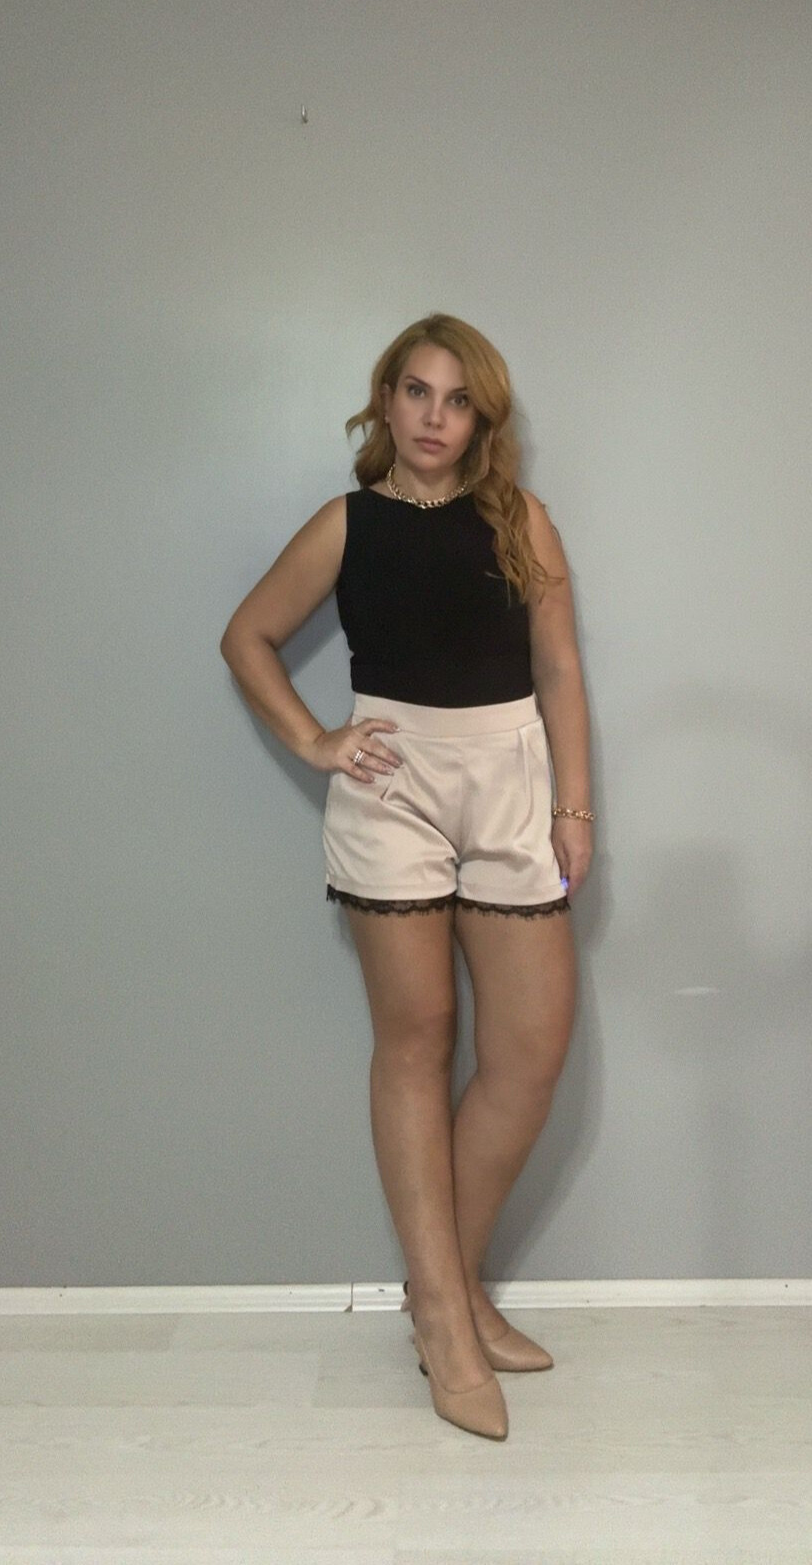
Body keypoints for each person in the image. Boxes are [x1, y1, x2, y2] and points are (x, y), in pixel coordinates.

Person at [219, 312, 594, 1441]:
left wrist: (575, 807)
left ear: (482, 418)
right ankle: (440, 1314)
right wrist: (315, 740)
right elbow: (247, 636)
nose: (435, 416)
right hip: (394, 784)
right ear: (387, 401)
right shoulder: (348, 524)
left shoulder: (520, 518)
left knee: (530, 1050)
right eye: (417, 392)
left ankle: (452, 1288)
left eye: (458, 399)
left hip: (511, 775)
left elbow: (560, 669)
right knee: (420, 1038)